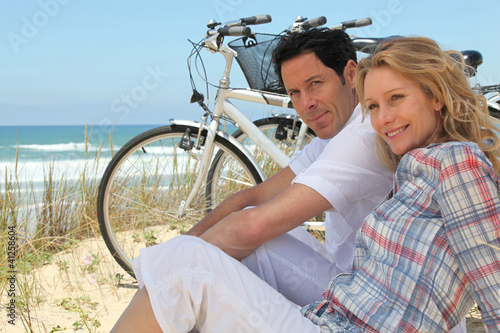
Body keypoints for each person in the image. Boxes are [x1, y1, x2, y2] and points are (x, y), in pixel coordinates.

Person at [112, 36, 500, 332]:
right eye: (375, 106)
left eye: (396, 98)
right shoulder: (412, 165)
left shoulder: (457, 162)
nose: (382, 120)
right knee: (194, 267)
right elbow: (253, 200)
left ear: (435, 97)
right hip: (334, 314)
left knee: (187, 271)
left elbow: (493, 281)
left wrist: (166, 267)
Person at [186, 27, 393, 307]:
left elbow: (252, 227)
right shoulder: (336, 132)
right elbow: (255, 197)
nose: (306, 104)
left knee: (251, 242)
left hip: (376, 307)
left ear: (350, 74)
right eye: (294, 92)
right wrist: (184, 244)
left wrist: (176, 261)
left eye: (315, 84)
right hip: (359, 281)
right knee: (242, 230)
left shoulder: (362, 136)